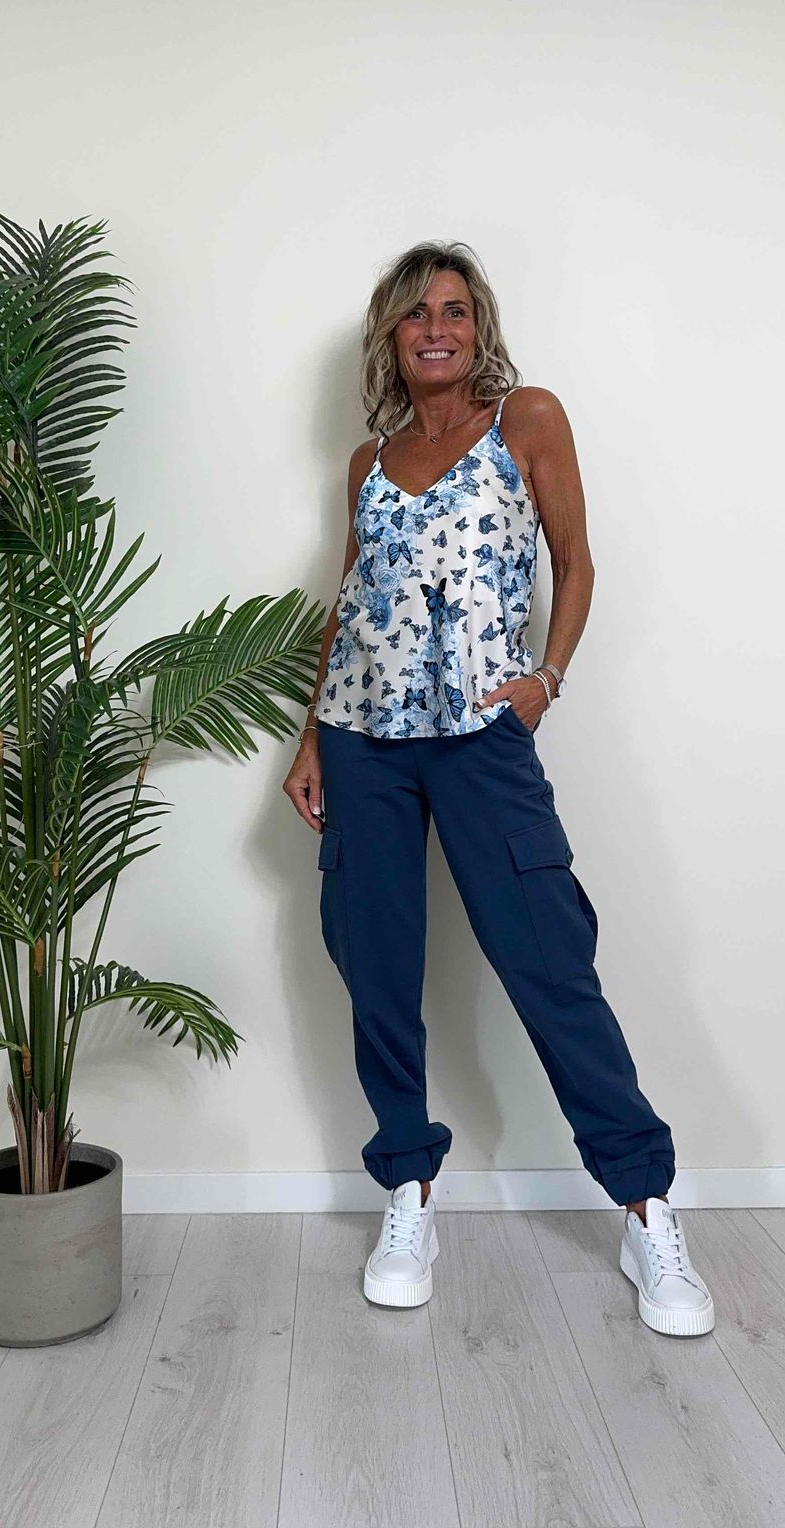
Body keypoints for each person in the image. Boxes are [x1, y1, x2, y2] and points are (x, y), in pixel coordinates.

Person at [283, 240, 713, 1336]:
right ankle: (408, 1193)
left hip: (482, 735)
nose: (436, 329)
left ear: (478, 329)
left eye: (455, 311)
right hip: (363, 739)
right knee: (376, 969)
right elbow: (351, 596)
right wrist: (312, 735)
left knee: (547, 962)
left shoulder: (526, 419)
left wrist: (545, 679)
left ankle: (645, 1207)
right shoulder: (367, 462)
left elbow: (576, 561)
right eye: (416, 313)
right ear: (389, 335)